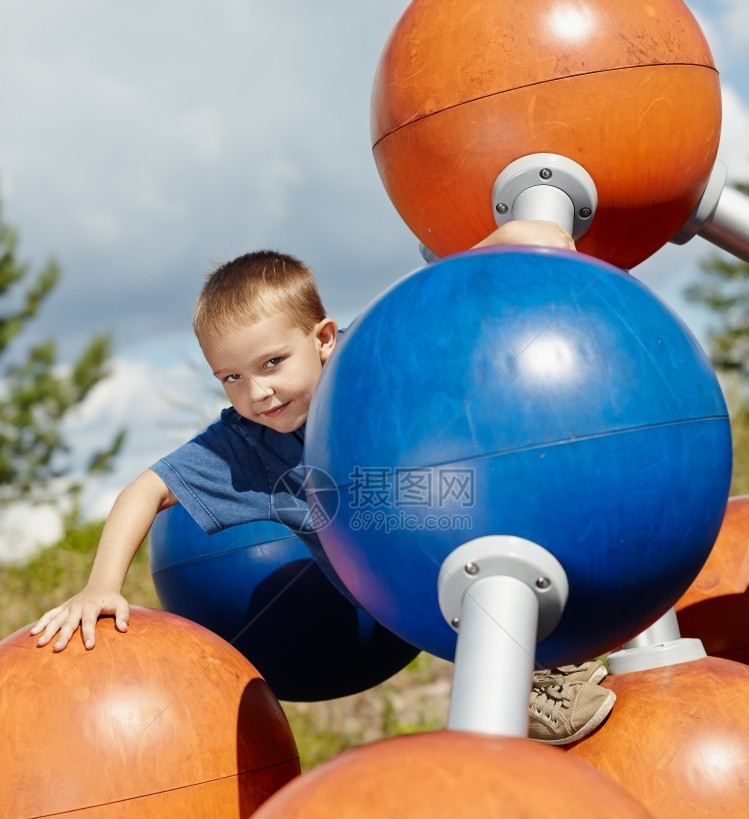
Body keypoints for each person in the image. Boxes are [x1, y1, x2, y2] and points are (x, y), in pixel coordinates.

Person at [31, 220, 614, 745]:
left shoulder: (363, 358)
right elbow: (146, 489)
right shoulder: (240, 444)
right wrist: (102, 585)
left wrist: (521, 236)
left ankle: (554, 663)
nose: (255, 392)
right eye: (230, 376)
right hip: (404, 599)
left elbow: (438, 292)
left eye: (272, 363)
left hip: (475, 528)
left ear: (324, 339)